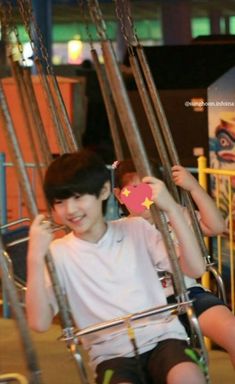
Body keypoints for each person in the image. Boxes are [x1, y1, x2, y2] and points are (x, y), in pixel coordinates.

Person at [26, 150, 206, 384]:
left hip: (164, 338)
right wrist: (34, 257)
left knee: (188, 378)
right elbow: (39, 323)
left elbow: (195, 269)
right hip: (111, 355)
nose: (70, 210)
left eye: (79, 197)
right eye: (60, 202)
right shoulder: (58, 253)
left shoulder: (136, 229)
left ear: (102, 192)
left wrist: (172, 209)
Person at [114, 159, 235, 369]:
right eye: (132, 189)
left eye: (145, 187)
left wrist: (193, 187)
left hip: (188, 293)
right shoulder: (118, 230)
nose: (140, 195)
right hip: (146, 306)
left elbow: (215, 226)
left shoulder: (173, 215)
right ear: (118, 195)